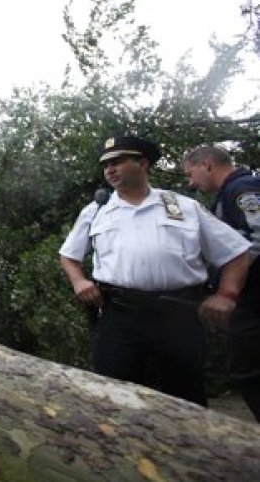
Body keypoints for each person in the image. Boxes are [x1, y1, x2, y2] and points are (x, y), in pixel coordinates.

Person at [59, 135, 250, 406]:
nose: (110, 169)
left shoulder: (181, 206)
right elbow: (68, 255)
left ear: (143, 164)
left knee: (187, 399)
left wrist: (227, 294)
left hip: (178, 316)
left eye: (118, 161)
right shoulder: (96, 211)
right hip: (120, 316)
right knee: (112, 396)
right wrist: (79, 281)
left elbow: (236, 252)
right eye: (106, 164)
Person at [183, 146, 260, 420]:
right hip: (248, 297)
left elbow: (255, 240)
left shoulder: (242, 189)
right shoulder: (228, 194)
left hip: (253, 296)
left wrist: (230, 286)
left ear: (206, 165)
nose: (191, 183)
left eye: (191, 174)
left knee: (249, 371)